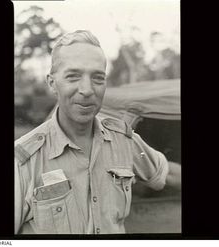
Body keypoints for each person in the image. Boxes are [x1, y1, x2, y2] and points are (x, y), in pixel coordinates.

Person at [14, 30, 181, 234]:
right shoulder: (22, 160)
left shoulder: (122, 140)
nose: (87, 90)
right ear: (52, 83)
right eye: (73, 76)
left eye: (98, 78)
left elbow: (167, 173)